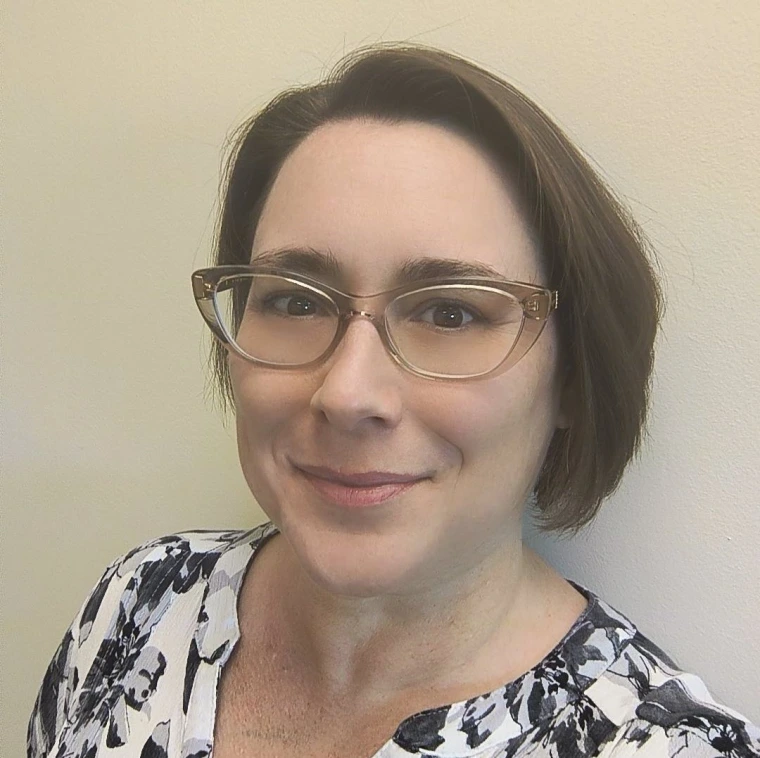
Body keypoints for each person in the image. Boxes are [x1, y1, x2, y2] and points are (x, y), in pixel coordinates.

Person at [28, 44, 759, 758]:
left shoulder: (659, 742)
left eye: (450, 314)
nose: (347, 394)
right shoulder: (140, 605)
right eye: (293, 300)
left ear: (571, 376)